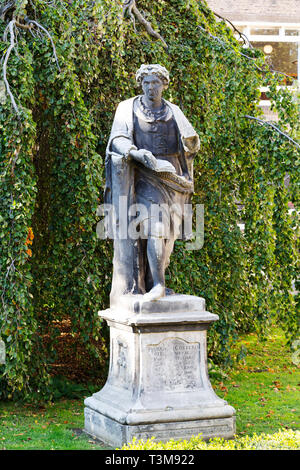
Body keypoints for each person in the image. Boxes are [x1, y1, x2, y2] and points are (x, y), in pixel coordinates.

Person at [105, 64, 200, 304]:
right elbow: (118, 139)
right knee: (154, 227)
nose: (150, 87)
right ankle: (158, 285)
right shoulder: (128, 108)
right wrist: (135, 153)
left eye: (155, 83)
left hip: (174, 179)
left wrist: (191, 144)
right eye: (146, 82)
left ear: (164, 84)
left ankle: (151, 282)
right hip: (145, 176)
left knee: (166, 237)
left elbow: (190, 146)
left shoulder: (174, 111)